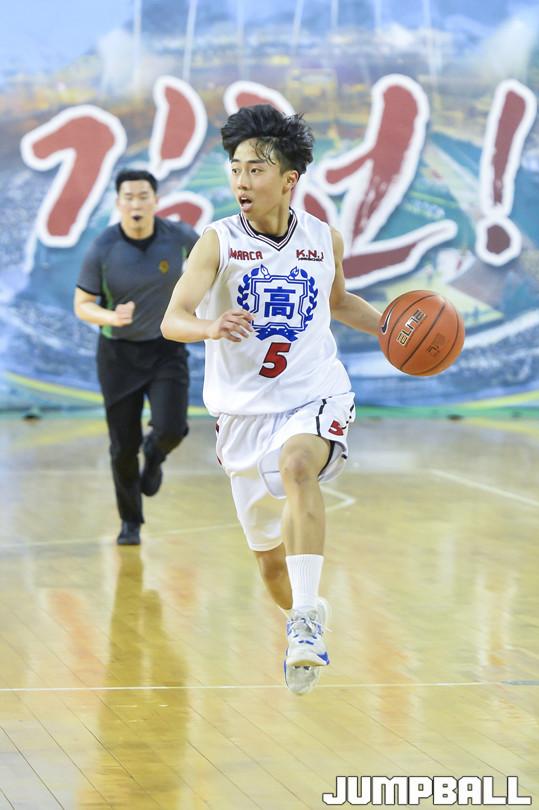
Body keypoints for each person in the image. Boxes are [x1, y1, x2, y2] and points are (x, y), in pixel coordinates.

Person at [161, 106, 382, 695]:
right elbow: (173, 319)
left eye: (255, 170)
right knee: (269, 564)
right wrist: (209, 327)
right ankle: (302, 617)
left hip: (314, 393)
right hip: (241, 416)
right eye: (235, 169)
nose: (241, 181)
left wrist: (393, 328)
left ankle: (306, 616)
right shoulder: (218, 242)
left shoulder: (323, 239)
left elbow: (338, 302)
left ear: (288, 179)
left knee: (298, 465)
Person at [74, 169, 199, 546]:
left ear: (156, 200)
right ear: (118, 203)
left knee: (172, 428)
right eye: (128, 197)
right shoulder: (103, 247)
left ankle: (155, 453)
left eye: (143, 196)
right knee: (122, 446)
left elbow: (214, 266)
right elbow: (82, 304)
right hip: (119, 356)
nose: (136, 203)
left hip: (166, 347)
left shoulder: (179, 237)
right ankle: (130, 522)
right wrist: (110, 317)